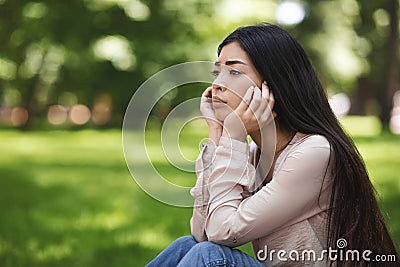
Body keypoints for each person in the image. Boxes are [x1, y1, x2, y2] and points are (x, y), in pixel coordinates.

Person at [146, 24, 399, 266]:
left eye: (234, 71)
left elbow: (222, 234)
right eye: (217, 72)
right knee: (186, 246)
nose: (216, 84)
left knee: (209, 256)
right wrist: (216, 134)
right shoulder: (256, 155)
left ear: (273, 87)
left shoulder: (315, 153)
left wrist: (234, 139)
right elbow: (202, 232)